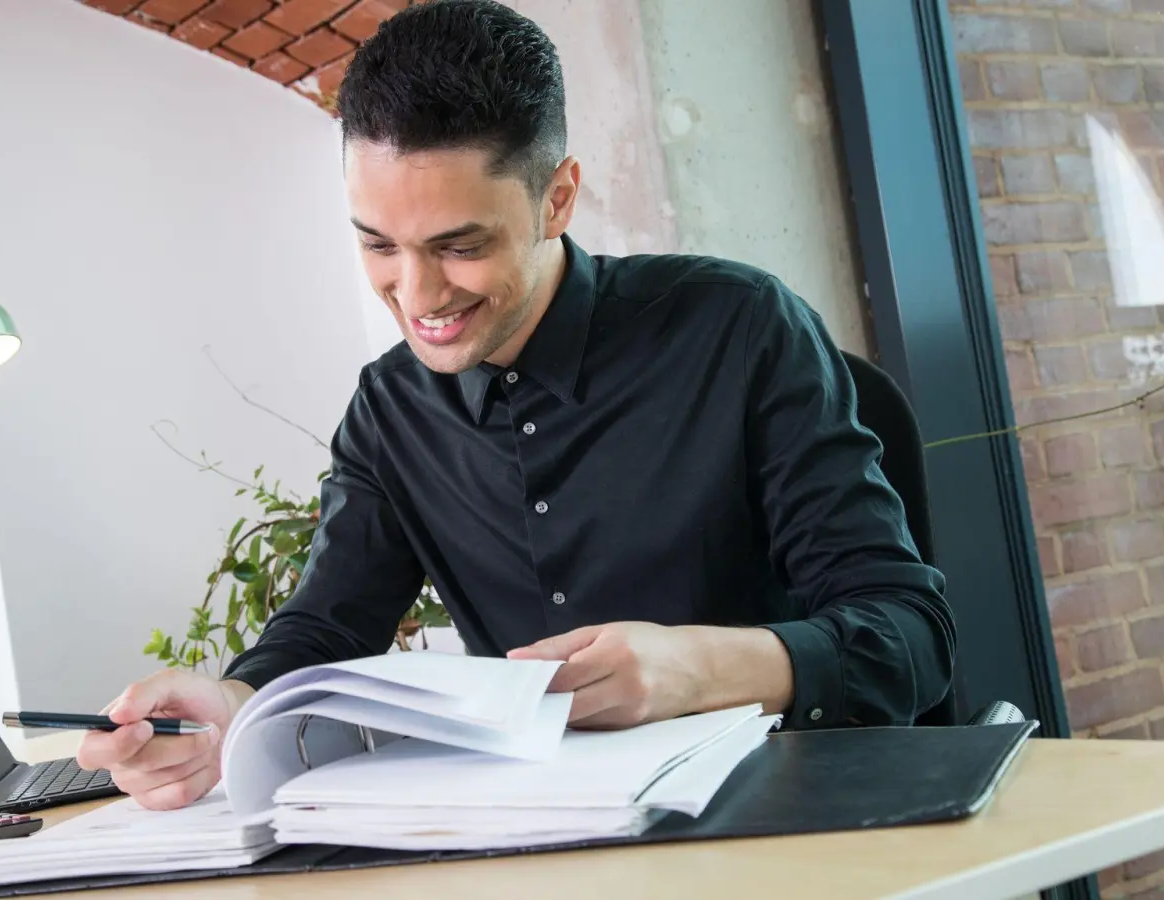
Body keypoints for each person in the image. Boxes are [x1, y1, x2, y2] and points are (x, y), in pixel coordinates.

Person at [76, 0, 955, 811]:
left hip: (795, 817)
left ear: (557, 198)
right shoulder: (390, 411)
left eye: (460, 246)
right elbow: (324, 626)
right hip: (551, 837)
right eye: (378, 244)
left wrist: (704, 668)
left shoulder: (737, 327)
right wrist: (228, 703)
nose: (416, 293)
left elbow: (911, 637)